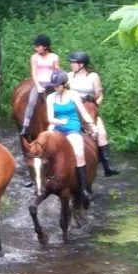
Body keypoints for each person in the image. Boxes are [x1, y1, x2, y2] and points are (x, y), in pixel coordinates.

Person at [46, 70, 96, 203]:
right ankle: (39, 180)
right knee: (42, 148)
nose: (55, 87)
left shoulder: (73, 95)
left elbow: (83, 112)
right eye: (54, 85)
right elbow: (50, 118)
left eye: (58, 85)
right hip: (57, 126)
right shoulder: (51, 97)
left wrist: (91, 125)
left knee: (79, 153)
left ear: (64, 84)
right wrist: (59, 122)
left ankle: (83, 188)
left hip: (72, 127)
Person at [68, 51, 119, 176]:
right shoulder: (68, 76)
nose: (72, 65)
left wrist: (95, 105)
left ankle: (107, 166)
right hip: (73, 108)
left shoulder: (93, 77)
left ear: (82, 64)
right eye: (72, 63)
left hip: (89, 107)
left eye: (74, 63)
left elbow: (99, 94)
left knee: (102, 133)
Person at [20, 34, 60, 135]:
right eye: (36, 46)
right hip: (40, 83)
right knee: (32, 102)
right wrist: (38, 86)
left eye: (38, 46)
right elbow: (34, 72)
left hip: (52, 83)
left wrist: (57, 83)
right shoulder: (34, 57)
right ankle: (26, 126)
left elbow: (57, 71)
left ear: (45, 46)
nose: (36, 48)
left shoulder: (54, 57)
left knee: (60, 100)